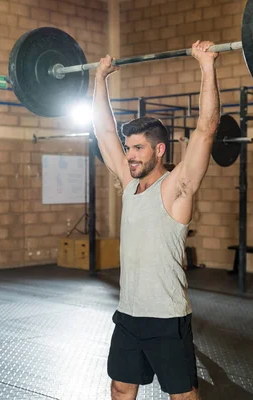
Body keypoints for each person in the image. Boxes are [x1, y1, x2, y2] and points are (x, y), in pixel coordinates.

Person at [92, 40, 220, 400]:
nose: (129, 155)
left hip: (166, 318)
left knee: (181, 395)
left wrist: (206, 66)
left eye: (138, 148)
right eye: (128, 148)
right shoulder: (130, 184)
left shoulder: (176, 186)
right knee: (120, 388)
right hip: (128, 314)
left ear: (159, 150)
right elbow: (103, 132)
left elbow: (206, 129)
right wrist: (99, 78)